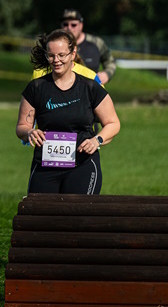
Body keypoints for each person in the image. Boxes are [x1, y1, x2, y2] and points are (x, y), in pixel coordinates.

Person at [16, 29, 120, 194]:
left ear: (73, 54)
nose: (56, 60)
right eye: (51, 56)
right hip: (45, 165)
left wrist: (97, 140)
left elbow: (113, 123)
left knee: (76, 215)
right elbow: (21, 126)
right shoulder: (36, 88)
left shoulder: (90, 87)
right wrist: (29, 133)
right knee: (38, 216)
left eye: (61, 55)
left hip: (82, 164)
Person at [60, 9, 117, 85]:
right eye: (65, 24)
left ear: (81, 25)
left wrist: (107, 74)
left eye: (73, 25)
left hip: (92, 92)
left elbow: (110, 61)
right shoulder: (57, 45)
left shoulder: (96, 42)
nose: (69, 28)